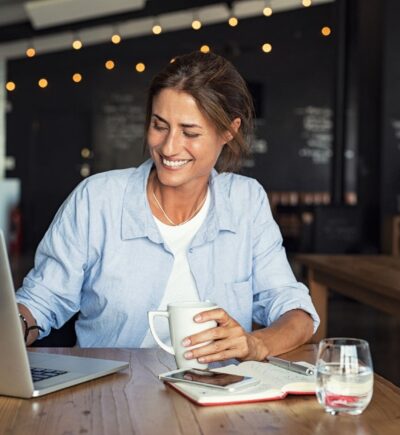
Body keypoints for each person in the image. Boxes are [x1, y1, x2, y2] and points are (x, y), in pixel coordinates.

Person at [16, 51, 319, 364]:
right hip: (111, 399)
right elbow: (42, 299)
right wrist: (15, 327)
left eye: (190, 132)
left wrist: (255, 344)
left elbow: (296, 312)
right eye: (159, 126)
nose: (169, 147)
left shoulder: (246, 202)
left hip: (220, 400)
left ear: (228, 131)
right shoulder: (98, 199)